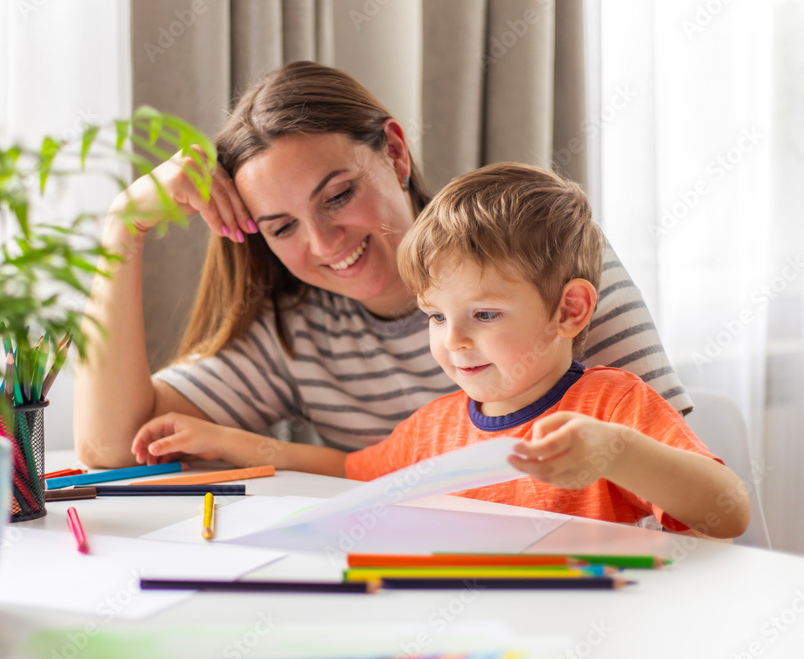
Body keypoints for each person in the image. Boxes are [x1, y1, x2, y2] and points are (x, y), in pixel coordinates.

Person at [75, 60, 692, 472]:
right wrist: (119, 231)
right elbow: (109, 449)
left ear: (395, 152)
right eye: (282, 227)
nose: (322, 244)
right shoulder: (296, 327)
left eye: (338, 195)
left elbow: (675, 466)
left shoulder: (540, 256)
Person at [131, 162, 749, 538]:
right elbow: (350, 473)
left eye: (483, 315)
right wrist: (237, 446)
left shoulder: (614, 404)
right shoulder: (435, 426)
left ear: (570, 310)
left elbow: (727, 514)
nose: (452, 341)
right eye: (434, 316)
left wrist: (617, 451)